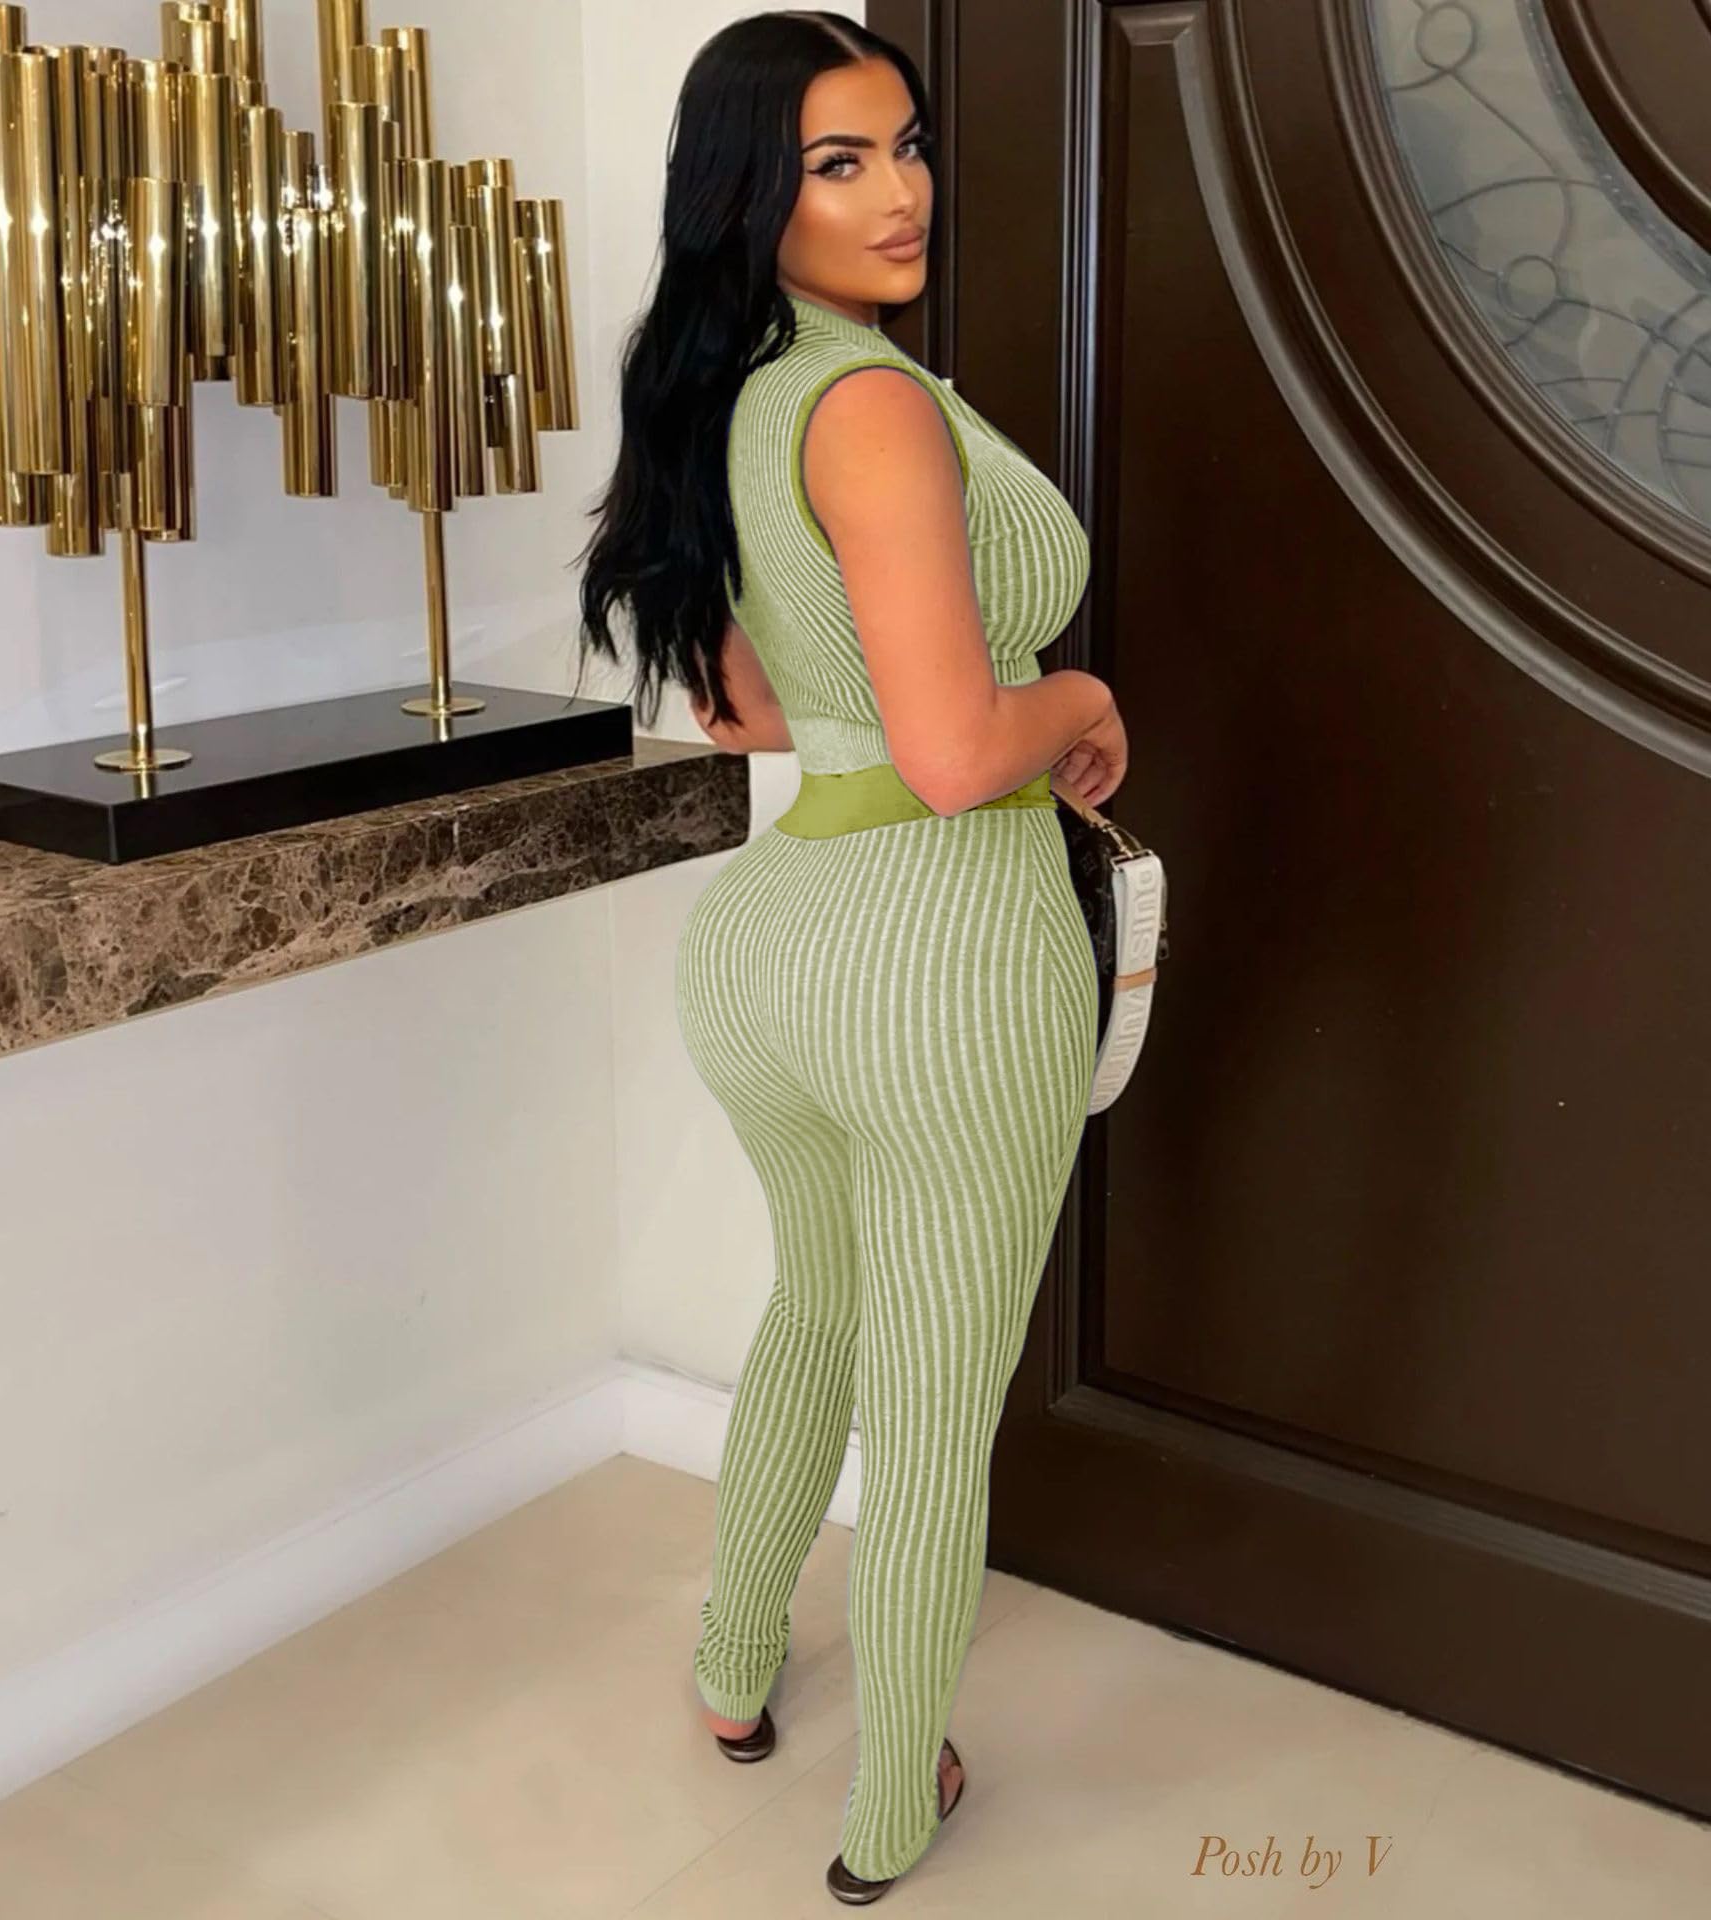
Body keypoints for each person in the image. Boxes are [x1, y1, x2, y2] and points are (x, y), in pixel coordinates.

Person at [576, 9, 1128, 1902]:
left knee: (815, 1307)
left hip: (775, 948)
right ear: (754, 194)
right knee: (936, 1411)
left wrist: (951, 699)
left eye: (906, 146)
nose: (900, 194)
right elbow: (961, 755)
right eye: (838, 163)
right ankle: (896, 1803)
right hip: (943, 959)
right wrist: (1080, 699)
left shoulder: (727, 399)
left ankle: (734, 1670)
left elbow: (747, 711)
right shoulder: (872, 406)